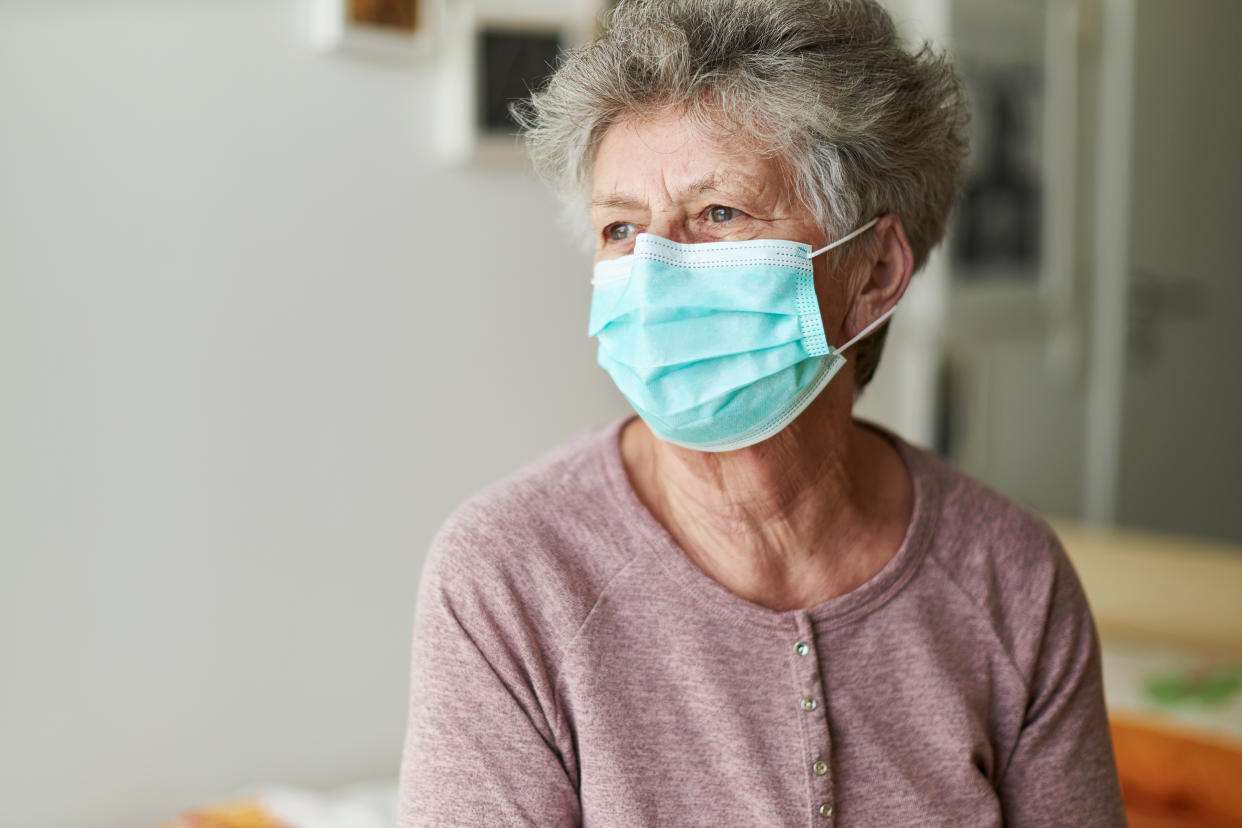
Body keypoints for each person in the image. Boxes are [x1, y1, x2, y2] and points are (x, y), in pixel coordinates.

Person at [398, 0, 1126, 825]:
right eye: (621, 229)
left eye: (719, 214)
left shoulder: (1013, 580)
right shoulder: (508, 576)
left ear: (875, 270)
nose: (658, 269)